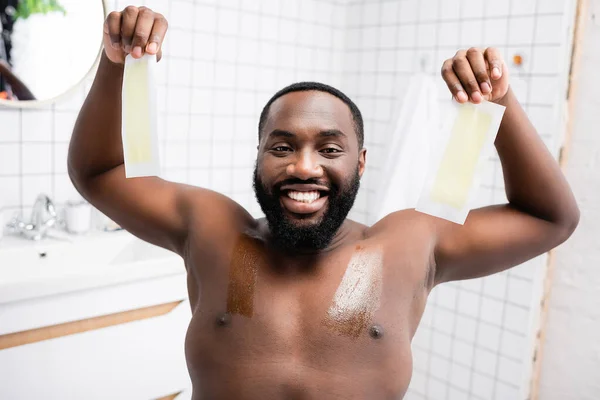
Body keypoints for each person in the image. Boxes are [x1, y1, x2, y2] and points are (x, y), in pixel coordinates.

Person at [67, 6, 580, 399]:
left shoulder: (406, 244)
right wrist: (115, 67)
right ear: (260, 156)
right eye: (282, 147)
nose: (304, 167)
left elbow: (550, 217)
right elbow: (98, 173)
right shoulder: (212, 231)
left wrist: (499, 103)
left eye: (330, 149)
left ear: (360, 163)